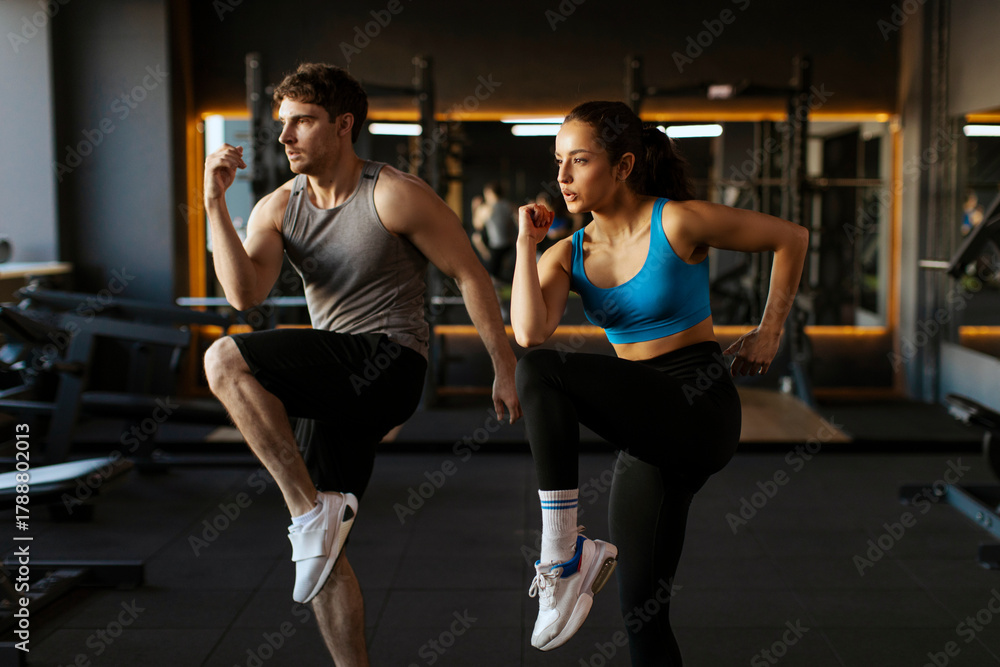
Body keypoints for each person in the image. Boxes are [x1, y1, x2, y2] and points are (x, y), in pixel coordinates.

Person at [201, 63, 521, 667]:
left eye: (302, 121)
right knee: (321, 557)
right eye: (282, 123)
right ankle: (322, 548)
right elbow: (245, 294)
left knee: (223, 358)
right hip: (331, 379)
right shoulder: (277, 207)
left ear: (343, 125)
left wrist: (504, 366)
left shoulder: (393, 193)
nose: (285, 136)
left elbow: (470, 273)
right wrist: (215, 202)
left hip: (390, 365)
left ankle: (307, 513)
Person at [510, 101, 808, 664]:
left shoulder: (676, 220)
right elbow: (529, 330)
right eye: (558, 162)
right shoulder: (567, 254)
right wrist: (527, 245)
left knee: (541, 372)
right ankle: (572, 556)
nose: (562, 177)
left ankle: (563, 554)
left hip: (698, 406)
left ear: (622, 166)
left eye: (579, 160)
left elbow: (791, 237)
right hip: (645, 421)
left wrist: (769, 333)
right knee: (641, 612)